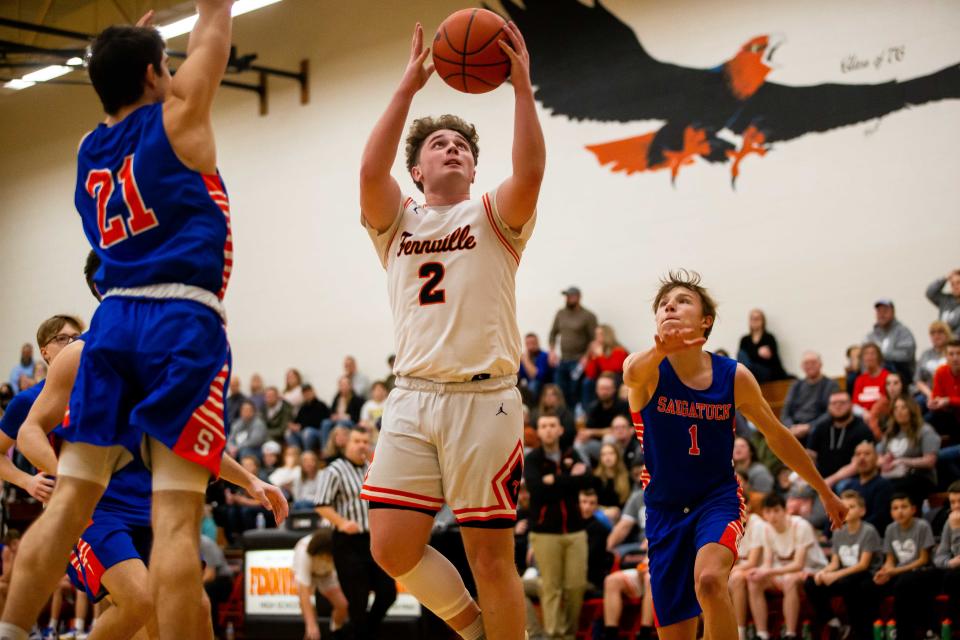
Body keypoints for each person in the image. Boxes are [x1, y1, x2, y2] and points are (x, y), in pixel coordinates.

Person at [0, 6, 248, 635]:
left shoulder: (88, 149)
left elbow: (120, 91)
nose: (174, 75)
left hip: (110, 325)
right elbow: (215, 25)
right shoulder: (180, 121)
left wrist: (131, 51)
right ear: (151, 74)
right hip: (181, 323)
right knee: (175, 528)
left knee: (66, 509)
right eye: (164, 67)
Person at [356, 19, 544, 640]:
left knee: (491, 558)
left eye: (461, 145)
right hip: (411, 395)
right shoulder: (396, 221)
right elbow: (368, 173)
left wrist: (521, 89)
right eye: (438, 145)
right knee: (389, 547)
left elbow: (531, 170)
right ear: (416, 169)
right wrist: (407, 89)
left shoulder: (494, 215)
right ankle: (471, 628)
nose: (453, 149)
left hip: (482, 399)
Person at [621, 270, 846, 640]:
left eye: (682, 301)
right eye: (663, 305)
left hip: (716, 498)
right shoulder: (647, 369)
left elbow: (777, 435)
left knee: (710, 581)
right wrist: (661, 349)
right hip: (664, 510)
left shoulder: (734, 376)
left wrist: (823, 490)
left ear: (705, 321)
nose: (670, 307)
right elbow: (630, 375)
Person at [316, 428, 395, 639]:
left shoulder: (371, 468)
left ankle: (349, 634)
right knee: (358, 601)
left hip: (373, 540)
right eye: (357, 441)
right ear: (346, 444)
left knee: (388, 593)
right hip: (347, 543)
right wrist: (341, 522)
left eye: (365, 441)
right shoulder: (334, 470)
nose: (361, 445)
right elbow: (321, 504)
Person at [524, 413, 595, 639]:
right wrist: (568, 478)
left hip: (576, 531)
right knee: (551, 588)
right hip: (545, 533)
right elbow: (537, 490)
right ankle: (554, 636)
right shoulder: (533, 459)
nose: (548, 430)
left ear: (560, 430)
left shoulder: (571, 453)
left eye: (552, 425)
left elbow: (588, 480)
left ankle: (569, 634)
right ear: (538, 430)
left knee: (576, 586)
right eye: (543, 426)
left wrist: (554, 479)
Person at [0, 316, 83, 505]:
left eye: (76, 338)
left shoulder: (101, 388)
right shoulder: (27, 400)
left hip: (112, 499)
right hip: (61, 501)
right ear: (45, 353)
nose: (71, 344)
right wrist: (27, 481)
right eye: (62, 339)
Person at [746, 494, 828, 640]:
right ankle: (762, 633)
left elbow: (798, 564)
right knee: (754, 580)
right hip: (783, 570)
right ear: (763, 514)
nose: (772, 516)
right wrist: (760, 571)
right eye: (768, 512)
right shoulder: (765, 529)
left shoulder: (800, 526)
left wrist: (769, 571)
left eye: (776, 510)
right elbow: (767, 562)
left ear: (785, 510)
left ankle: (790, 634)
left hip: (811, 570)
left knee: (789, 579)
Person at [803, 490, 882, 640]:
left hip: (866, 575)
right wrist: (822, 572)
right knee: (811, 582)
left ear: (862, 511)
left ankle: (856, 629)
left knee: (848, 583)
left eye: (851, 507)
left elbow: (863, 565)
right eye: (844, 507)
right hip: (845, 574)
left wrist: (835, 575)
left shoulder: (868, 531)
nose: (847, 511)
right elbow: (834, 562)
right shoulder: (838, 531)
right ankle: (833, 622)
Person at [874, 493, 938, 640]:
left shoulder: (922, 526)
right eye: (895, 508)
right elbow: (890, 559)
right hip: (901, 573)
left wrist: (893, 571)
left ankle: (905, 632)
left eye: (904, 507)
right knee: (871, 584)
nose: (900, 511)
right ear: (891, 512)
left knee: (903, 583)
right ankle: (877, 629)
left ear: (913, 509)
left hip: (925, 571)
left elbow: (923, 559)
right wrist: (884, 572)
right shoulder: (890, 529)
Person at [877, 395, 940, 507]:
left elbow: (930, 461)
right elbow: (879, 458)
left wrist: (902, 461)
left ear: (912, 410)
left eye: (903, 407)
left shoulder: (925, 431)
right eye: (896, 408)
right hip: (893, 475)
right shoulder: (890, 432)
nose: (899, 412)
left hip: (920, 477)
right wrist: (884, 462)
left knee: (891, 488)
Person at [805, 392, 874, 488]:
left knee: (842, 486)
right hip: (822, 478)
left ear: (851, 405)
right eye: (834, 403)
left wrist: (830, 480)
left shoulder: (862, 429)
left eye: (842, 402)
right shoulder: (821, 427)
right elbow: (810, 455)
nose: (838, 406)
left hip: (849, 479)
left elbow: (857, 464)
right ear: (828, 407)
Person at [293, 528, 349, 640]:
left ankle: (335, 632)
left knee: (343, 605)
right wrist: (311, 625)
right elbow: (304, 594)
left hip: (325, 575)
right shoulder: (303, 553)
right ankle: (311, 632)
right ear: (323, 552)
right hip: (307, 574)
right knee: (311, 624)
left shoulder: (337, 548)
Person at [549, 287, 598, 410]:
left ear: (578, 297)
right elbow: (553, 334)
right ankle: (563, 417)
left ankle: (577, 417)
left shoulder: (588, 316)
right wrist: (552, 352)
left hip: (579, 361)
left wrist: (586, 357)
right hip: (563, 360)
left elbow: (594, 339)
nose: (568, 298)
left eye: (571, 296)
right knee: (560, 390)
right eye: (566, 296)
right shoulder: (560, 313)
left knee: (574, 391)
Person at [727, 497, 767, 640]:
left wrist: (730, 570)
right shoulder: (732, 524)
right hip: (742, 566)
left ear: (748, 506)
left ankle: (740, 632)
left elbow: (753, 561)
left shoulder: (758, 524)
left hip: (760, 567)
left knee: (735, 578)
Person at [779, 351, 838, 441]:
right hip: (794, 429)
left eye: (813, 362)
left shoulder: (831, 385)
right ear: (802, 366)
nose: (810, 366)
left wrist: (809, 426)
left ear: (820, 364)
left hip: (819, 428)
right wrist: (791, 427)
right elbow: (785, 411)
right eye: (806, 363)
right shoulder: (796, 385)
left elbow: (831, 412)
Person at [579, 373, 631, 463]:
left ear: (614, 389)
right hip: (601, 447)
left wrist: (593, 432)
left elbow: (622, 430)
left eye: (607, 389)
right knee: (579, 444)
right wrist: (584, 435)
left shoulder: (623, 406)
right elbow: (588, 431)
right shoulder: (593, 408)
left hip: (622, 445)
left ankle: (616, 470)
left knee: (609, 438)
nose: (604, 392)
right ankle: (589, 472)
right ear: (596, 390)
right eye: (601, 389)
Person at [846, 440, 894, 534]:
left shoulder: (884, 485)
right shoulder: (849, 486)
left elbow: (879, 518)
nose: (862, 458)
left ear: (876, 458)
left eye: (867, 454)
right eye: (858, 454)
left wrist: (853, 528)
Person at [865, 300, 916, 382]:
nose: (882, 315)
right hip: (876, 373)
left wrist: (881, 356)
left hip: (899, 374)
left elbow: (906, 355)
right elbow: (863, 352)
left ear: (893, 313)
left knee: (889, 364)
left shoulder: (903, 332)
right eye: (879, 312)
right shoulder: (871, 335)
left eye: (885, 311)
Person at [583, 324, 629, 407]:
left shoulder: (619, 350)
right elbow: (590, 374)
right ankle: (588, 410)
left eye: (600, 334)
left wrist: (600, 356)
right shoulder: (597, 351)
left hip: (618, 378)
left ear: (607, 335)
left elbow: (614, 369)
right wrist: (593, 357)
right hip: (601, 378)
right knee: (587, 382)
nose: (597, 337)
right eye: (596, 335)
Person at [737, 309, 788, 383]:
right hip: (748, 370)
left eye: (757, 318)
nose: (755, 321)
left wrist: (752, 354)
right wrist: (758, 353)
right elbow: (742, 358)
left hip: (765, 372)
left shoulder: (769, 338)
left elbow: (772, 360)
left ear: (763, 321)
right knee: (742, 358)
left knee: (748, 366)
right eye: (752, 318)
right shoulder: (745, 340)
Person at [199, 533, 234, 639]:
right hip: (207, 579)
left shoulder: (205, 544)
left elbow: (210, 574)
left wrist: (192, 588)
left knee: (207, 591)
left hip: (223, 581)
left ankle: (215, 631)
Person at [935, 481, 960, 628]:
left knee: (954, 577)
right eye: (952, 502)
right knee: (910, 581)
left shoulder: (954, 521)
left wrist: (957, 529)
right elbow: (940, 556)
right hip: (951, 569)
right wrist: (948, 563)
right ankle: (932, 630)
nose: (956, 506)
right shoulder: (950, 520)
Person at [916, 321, 953, 406]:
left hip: (947, 394)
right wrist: (930, 394)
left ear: (947, 334)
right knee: (913, 406)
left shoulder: (953, 353)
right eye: (933, 333)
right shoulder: (925, 354)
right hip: (927, 393)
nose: (936, 336)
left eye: (940, 332)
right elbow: (918, 379)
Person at [929, 339, 960, 440]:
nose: (955, 358)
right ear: (946, 357)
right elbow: (936, 396)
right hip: (948, 416)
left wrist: (948, 400)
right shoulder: (941, 372)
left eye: (959, 353)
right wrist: (934, 402)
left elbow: (946, 400)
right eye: (951, 354)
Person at [851, 342, 890, 421]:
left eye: (872, 354)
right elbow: (855, 404)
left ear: (879, 357)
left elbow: (887, 402)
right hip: (862, 418)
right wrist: (864, 414)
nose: (869, 357)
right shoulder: (860, 379)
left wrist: (872, 415)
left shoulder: (887, 377)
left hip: (882, 417)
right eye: (866, 354)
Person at [593, 443, 631, 521]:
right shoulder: (595, 478)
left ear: (617, 456)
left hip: (622, 516)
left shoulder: (627, 477)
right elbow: (590, 502)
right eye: (603, 454)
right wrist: (603, 510)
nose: (607, 457)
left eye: (611, 453)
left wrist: (618, 511)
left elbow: (628, 503)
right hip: (600, 515)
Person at [533, 384, 576, 452]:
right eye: (546, 395)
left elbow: (569, 434)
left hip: (562, 448)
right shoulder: (536, 413)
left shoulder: (566, 414)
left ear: (558, 397)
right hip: (540, 448)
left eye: (552, 395)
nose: (549, 397)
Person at [519, 333, 553, 403]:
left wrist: (525, 360)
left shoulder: (543, 356)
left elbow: (536, 375)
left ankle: (531, 406)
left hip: (542, 385)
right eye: (528, 343)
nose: (530, 346)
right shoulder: (525, 357)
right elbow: (520, 376)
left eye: (533, 343)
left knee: (534, 383)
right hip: (529, 385)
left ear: (538, 343)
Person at [926, 270, 960, 335]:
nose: (955, 286)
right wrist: (945, 278)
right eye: (952, 284)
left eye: (958, 283)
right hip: (943, 342)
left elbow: (952, 323)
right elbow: (930, 293)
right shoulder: (945, 300)